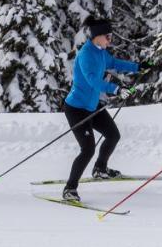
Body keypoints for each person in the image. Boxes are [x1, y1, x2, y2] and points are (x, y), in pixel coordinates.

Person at [60, 16, 142, 203]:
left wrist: (138, 67)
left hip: (91, 106)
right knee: (87, 149)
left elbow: (114, 63)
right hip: (76, 109)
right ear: (97, 36)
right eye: (108, 37)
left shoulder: (100, 52)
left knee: (113, 135)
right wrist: (116, 89)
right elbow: (93, 81)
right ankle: (69, 189)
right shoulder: (86, 54)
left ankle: (100, 169)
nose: (110, 40)